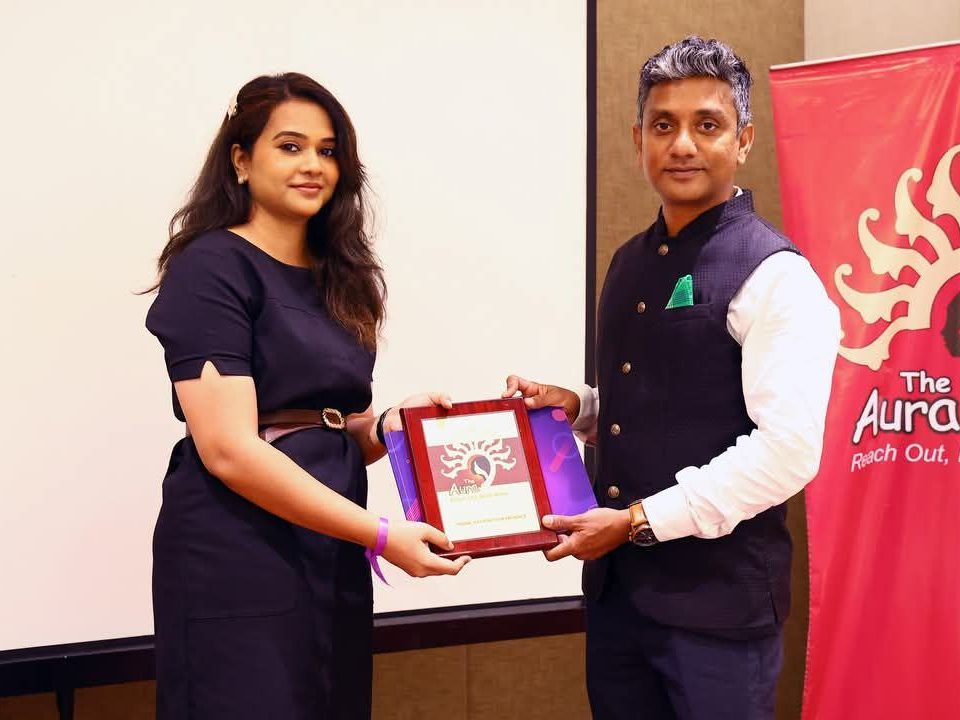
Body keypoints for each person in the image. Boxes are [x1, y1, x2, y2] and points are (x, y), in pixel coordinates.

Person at [504, 37, 840, 720]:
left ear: (743, 140)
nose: (682, 144)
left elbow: (787, 451)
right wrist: (581, 408)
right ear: (639, 140)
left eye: (707, 125)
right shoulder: (630, 261)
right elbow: (671, 399)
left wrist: (637, 521)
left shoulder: (777, 276)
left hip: (719, 615)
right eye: (663, 125)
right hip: (619, 602)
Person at [145, 72, 469, 720]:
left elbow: (329, 430)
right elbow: (229, 450)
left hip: (330, 543)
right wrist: (382, 535)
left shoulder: (342, 275)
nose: (313, 165)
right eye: (290, 146)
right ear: (241, 160)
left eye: (328, 150)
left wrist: (389, 427)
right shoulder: (211, 266)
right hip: (238, 551)